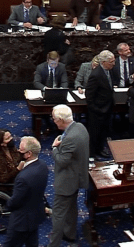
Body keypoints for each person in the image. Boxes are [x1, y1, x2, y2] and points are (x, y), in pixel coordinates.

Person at [49, 104, 89, 247]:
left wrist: (54, 148)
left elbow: (62, 161)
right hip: (77, 177)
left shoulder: (71, 137)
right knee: (71, 207)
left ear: (60, 119)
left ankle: (54, 244)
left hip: (66, 182)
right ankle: (70, 234)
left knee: (58, 215)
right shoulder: (80, 127)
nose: (53, 121)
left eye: (54, 119)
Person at [6, 136, 48, 247]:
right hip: (35, 215)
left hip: (21, 221)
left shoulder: (23, 177)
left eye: (20, 150)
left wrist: (8, 205)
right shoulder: (43, 166)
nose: (18, 152)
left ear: (28, 154)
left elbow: (15, 201)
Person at [86, 50, 115, 158]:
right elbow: (89, 94)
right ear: (103, 62)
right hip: (97, 110)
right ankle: (92, 153)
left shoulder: (109, 70)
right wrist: (95, 108)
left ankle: (100, 149)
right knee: (94, 133)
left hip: (107, 107)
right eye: (111, 62)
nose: (113, 64)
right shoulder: (96, 75)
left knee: (104, 131)